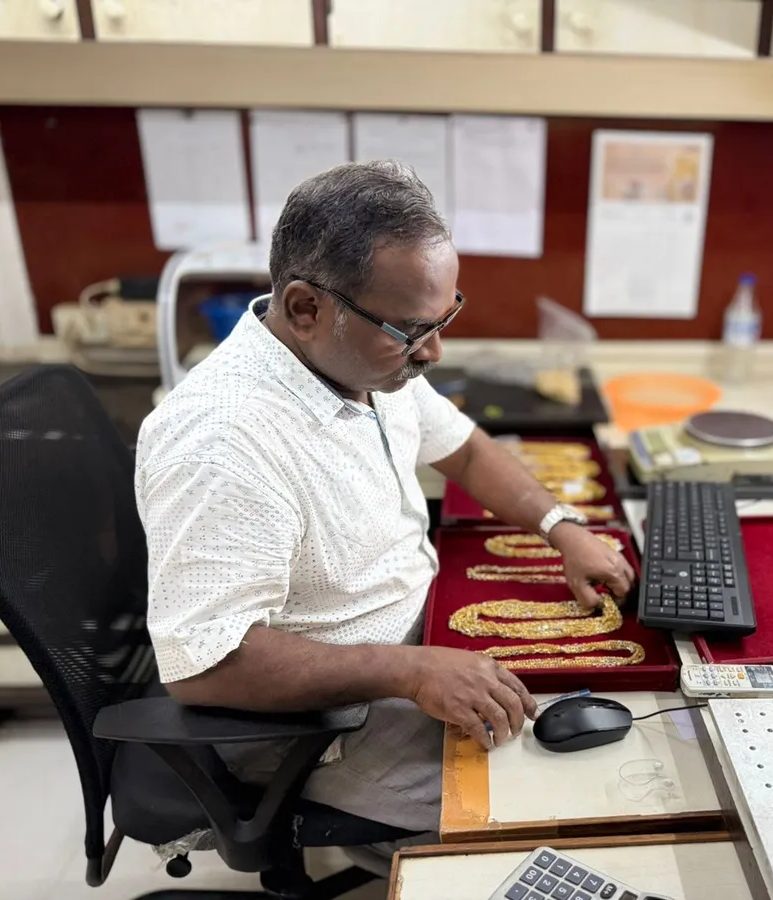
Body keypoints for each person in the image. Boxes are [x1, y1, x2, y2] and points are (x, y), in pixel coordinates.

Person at [135, 161, 635, 837]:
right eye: (410, 329)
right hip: (321, 727)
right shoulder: (222, 441)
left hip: (413, 644)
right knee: (563, 804)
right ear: (306, 309)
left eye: (443, 317)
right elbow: (206, 666)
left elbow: (465, 449)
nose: (434, 351)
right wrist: (410, 670)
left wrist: (562, 527)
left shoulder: (360, 361)